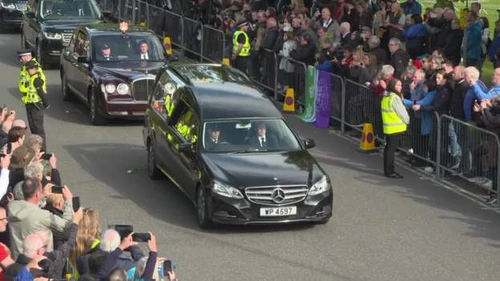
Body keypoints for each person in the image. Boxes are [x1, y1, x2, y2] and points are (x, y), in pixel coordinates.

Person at [381, 79, 410, 178]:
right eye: (398, 85)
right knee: (391, 150)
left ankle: (387, 170)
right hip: (395, 128)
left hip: (388, 127)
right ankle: (390, 171)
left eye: (401, 85)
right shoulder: (395, 98)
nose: (400, 87)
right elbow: (402, 113)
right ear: (393, 86)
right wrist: (407, 120)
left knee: (388, 148)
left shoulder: (386, 96)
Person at [24, 60, 49, 152]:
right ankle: (36, 148)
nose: (28, 71)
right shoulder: (31, 77)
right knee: (33, 127)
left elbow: (41, 92)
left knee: (38, 129)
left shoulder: (37, 79)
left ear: (34, 69)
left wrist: (46, 103)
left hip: (36, 106)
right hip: (30, 105)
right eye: (27, 69)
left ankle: (42, 150)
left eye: (29, 69)